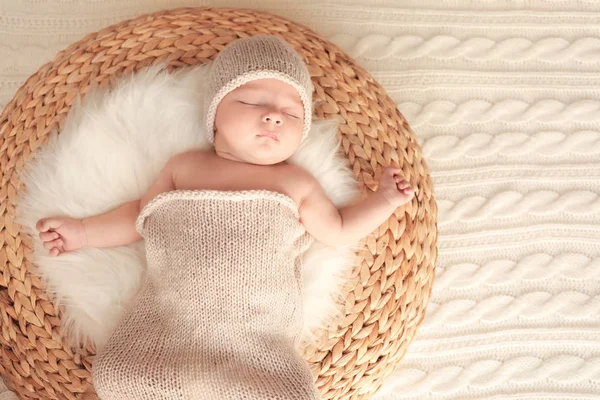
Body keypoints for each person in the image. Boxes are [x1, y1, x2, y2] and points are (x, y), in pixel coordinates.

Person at [35, 35, 414, 399]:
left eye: (291, 112)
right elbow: (141, 216)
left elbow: (338, 230)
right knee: (116, 373)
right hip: (169, 329)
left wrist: (383, 200)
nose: (273, 117)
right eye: (251, 102)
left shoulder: (296, 183)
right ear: (215, 113)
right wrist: (82, 233)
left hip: (257, 341)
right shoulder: (184, 167)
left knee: (292, 392)